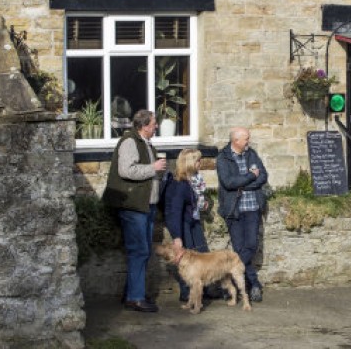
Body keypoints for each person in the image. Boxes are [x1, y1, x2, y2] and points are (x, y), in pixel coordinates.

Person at [102, 109, 167, 313]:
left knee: (142, 251)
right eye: (154, 123)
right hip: (133, 206)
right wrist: (153, 168)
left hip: (146, 205)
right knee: (139, 251)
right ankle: (135, 298)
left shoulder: (146, 143)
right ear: (144, 126)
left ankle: (132, 293)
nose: (156, 126)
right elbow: (126, 170)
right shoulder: (130, 142)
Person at [216, 127, 268, 303]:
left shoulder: (251, 154)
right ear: (236, 140)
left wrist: (243, 184)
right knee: (239, 249)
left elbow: (263, 176)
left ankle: (227, 277)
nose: (248, 141)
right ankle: (254, 285)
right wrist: (251, 177)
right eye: (246, 138)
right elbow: (228, 182)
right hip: (233, 210)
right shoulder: (223, 158)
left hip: (252, 207)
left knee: (251, 246)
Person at [165, 148, 211, 302]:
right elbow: (174, 212)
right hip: (183, 224)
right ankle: (186, 292)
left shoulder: (194, 179)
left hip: (193, 220)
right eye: (197, 160)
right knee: (187, 259)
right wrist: (177, 237)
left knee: (203, 254)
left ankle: (203, 289)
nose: (200, 163)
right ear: (189, 163)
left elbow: (195, 200)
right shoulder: (179, 185)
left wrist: (202, 204)